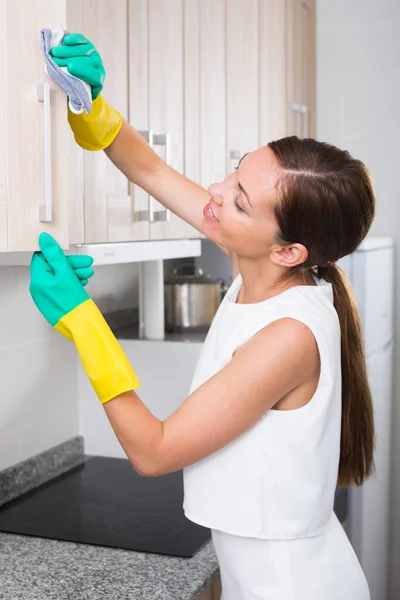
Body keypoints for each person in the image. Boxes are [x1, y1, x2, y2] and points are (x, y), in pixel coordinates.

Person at [30, 34, 375, 599]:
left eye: (240, 200)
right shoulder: (259, 264)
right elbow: (154, 172)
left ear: (289, 250)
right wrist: (93, 109)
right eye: (235, 174)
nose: (215, 194)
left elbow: (155, 449)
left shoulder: (290, 334)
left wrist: (83, 323)